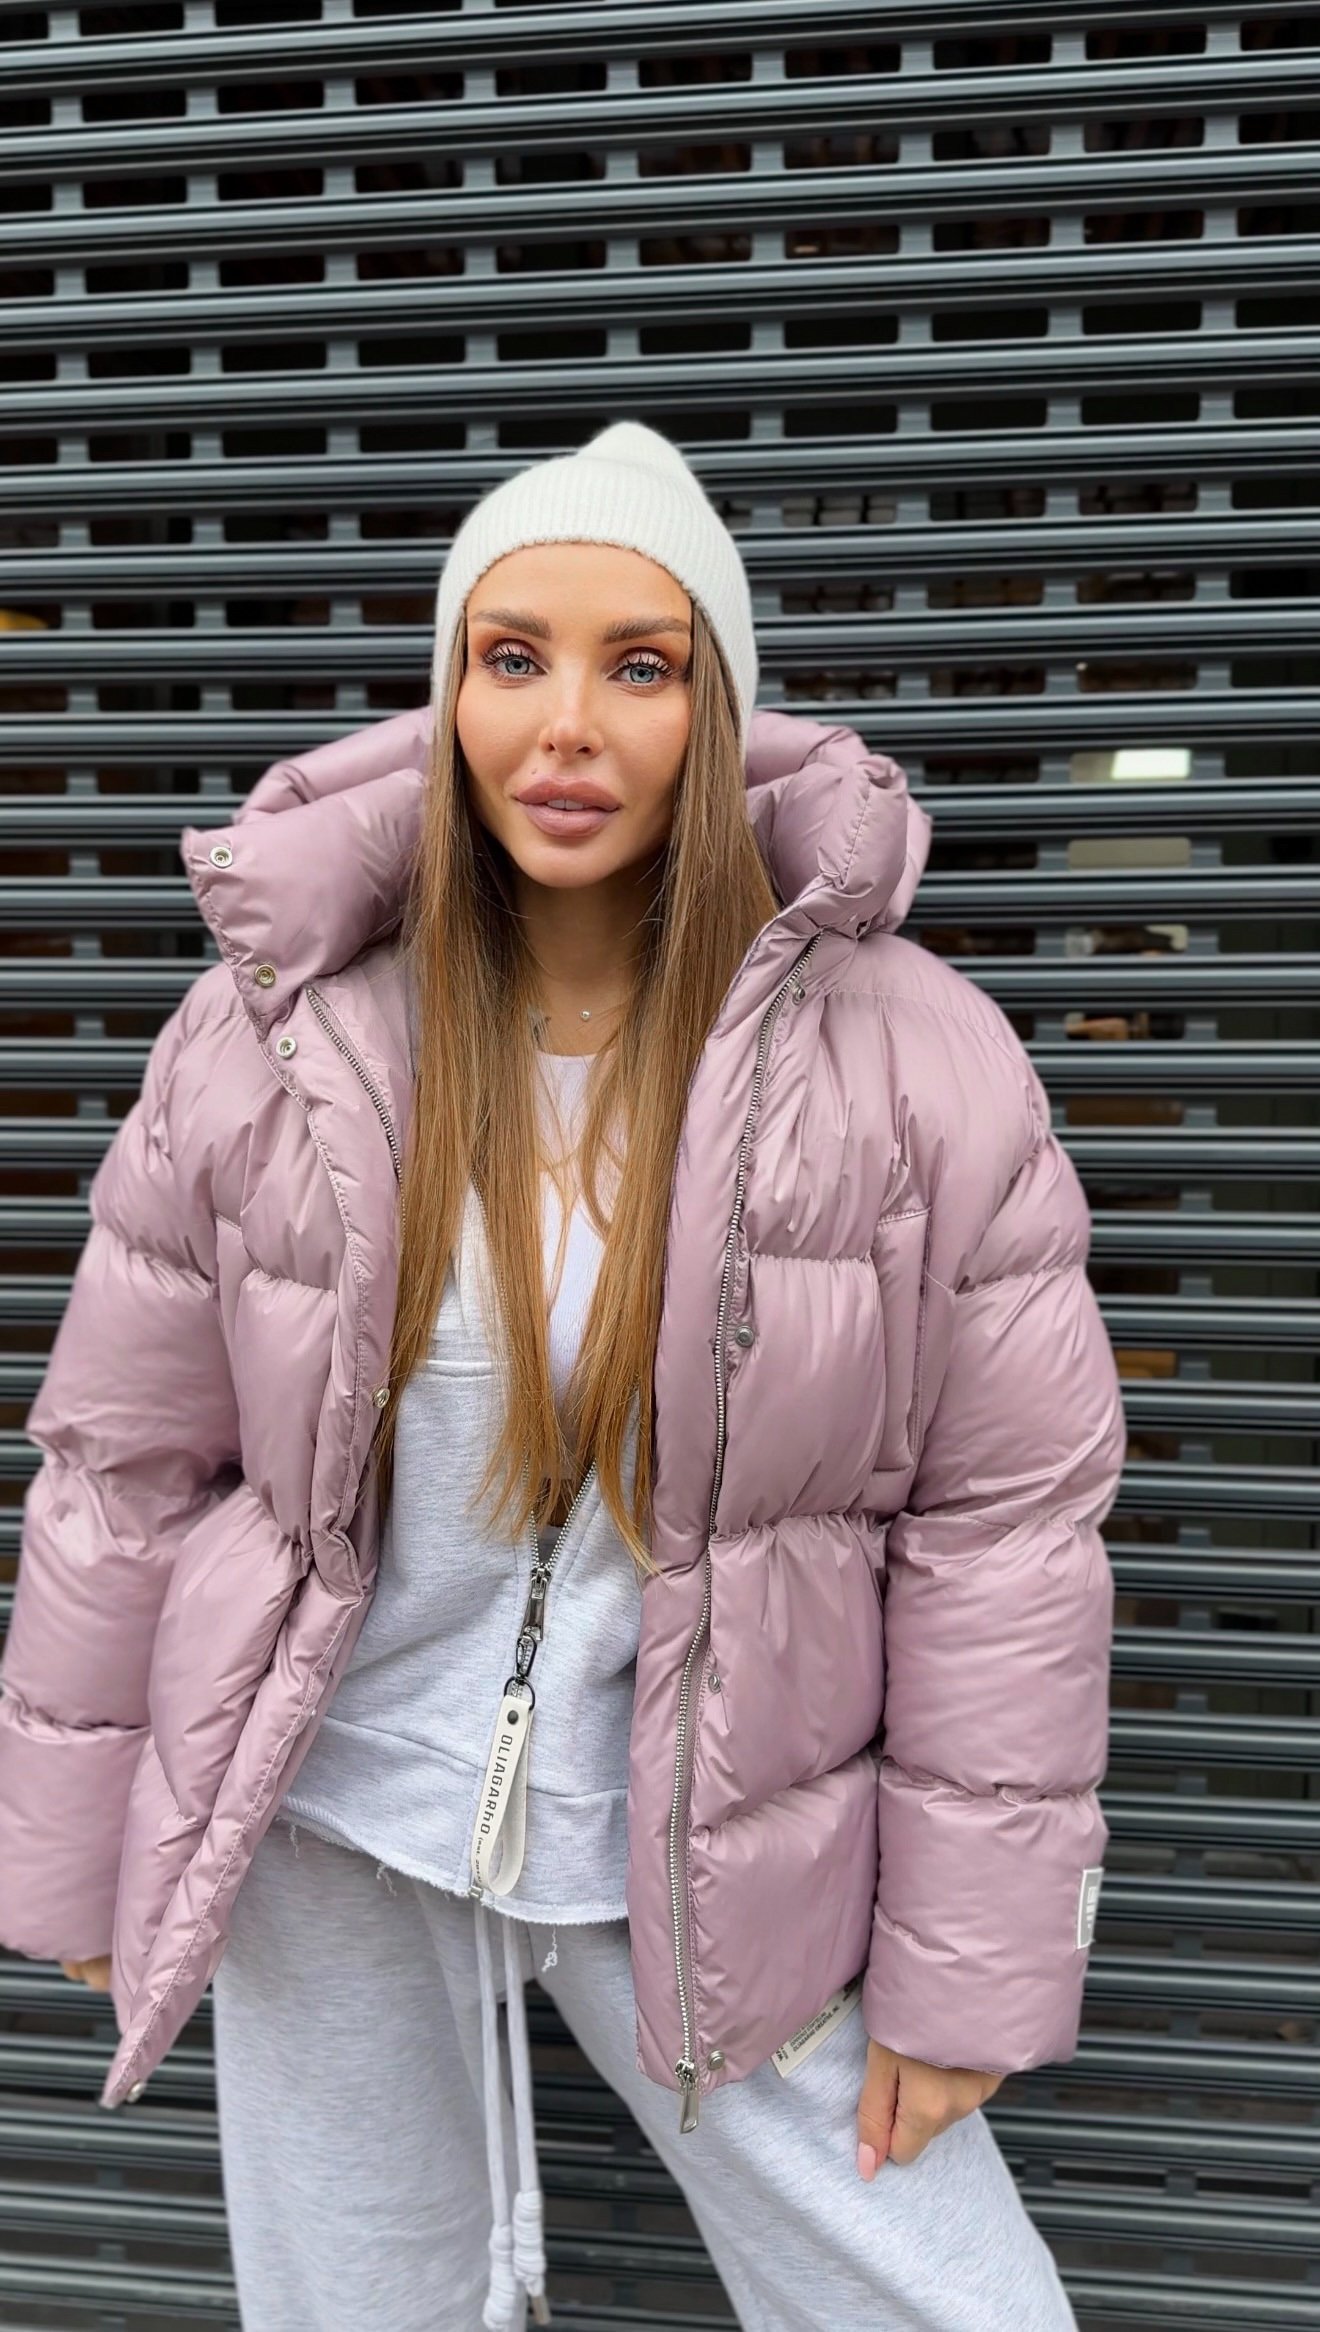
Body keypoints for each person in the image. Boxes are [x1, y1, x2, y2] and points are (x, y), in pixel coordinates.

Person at [0, 422, 1127, 2332]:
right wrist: (78, 1854)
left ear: (717, 707)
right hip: (325, 1815)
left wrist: (968, 1972)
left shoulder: (914, 1060)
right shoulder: (274, 1035)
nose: (569, 726)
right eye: (512, 657)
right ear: (450, 693)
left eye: (642, 664)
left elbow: (1006, 1533)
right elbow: (127, 1462)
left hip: (712, 1835)